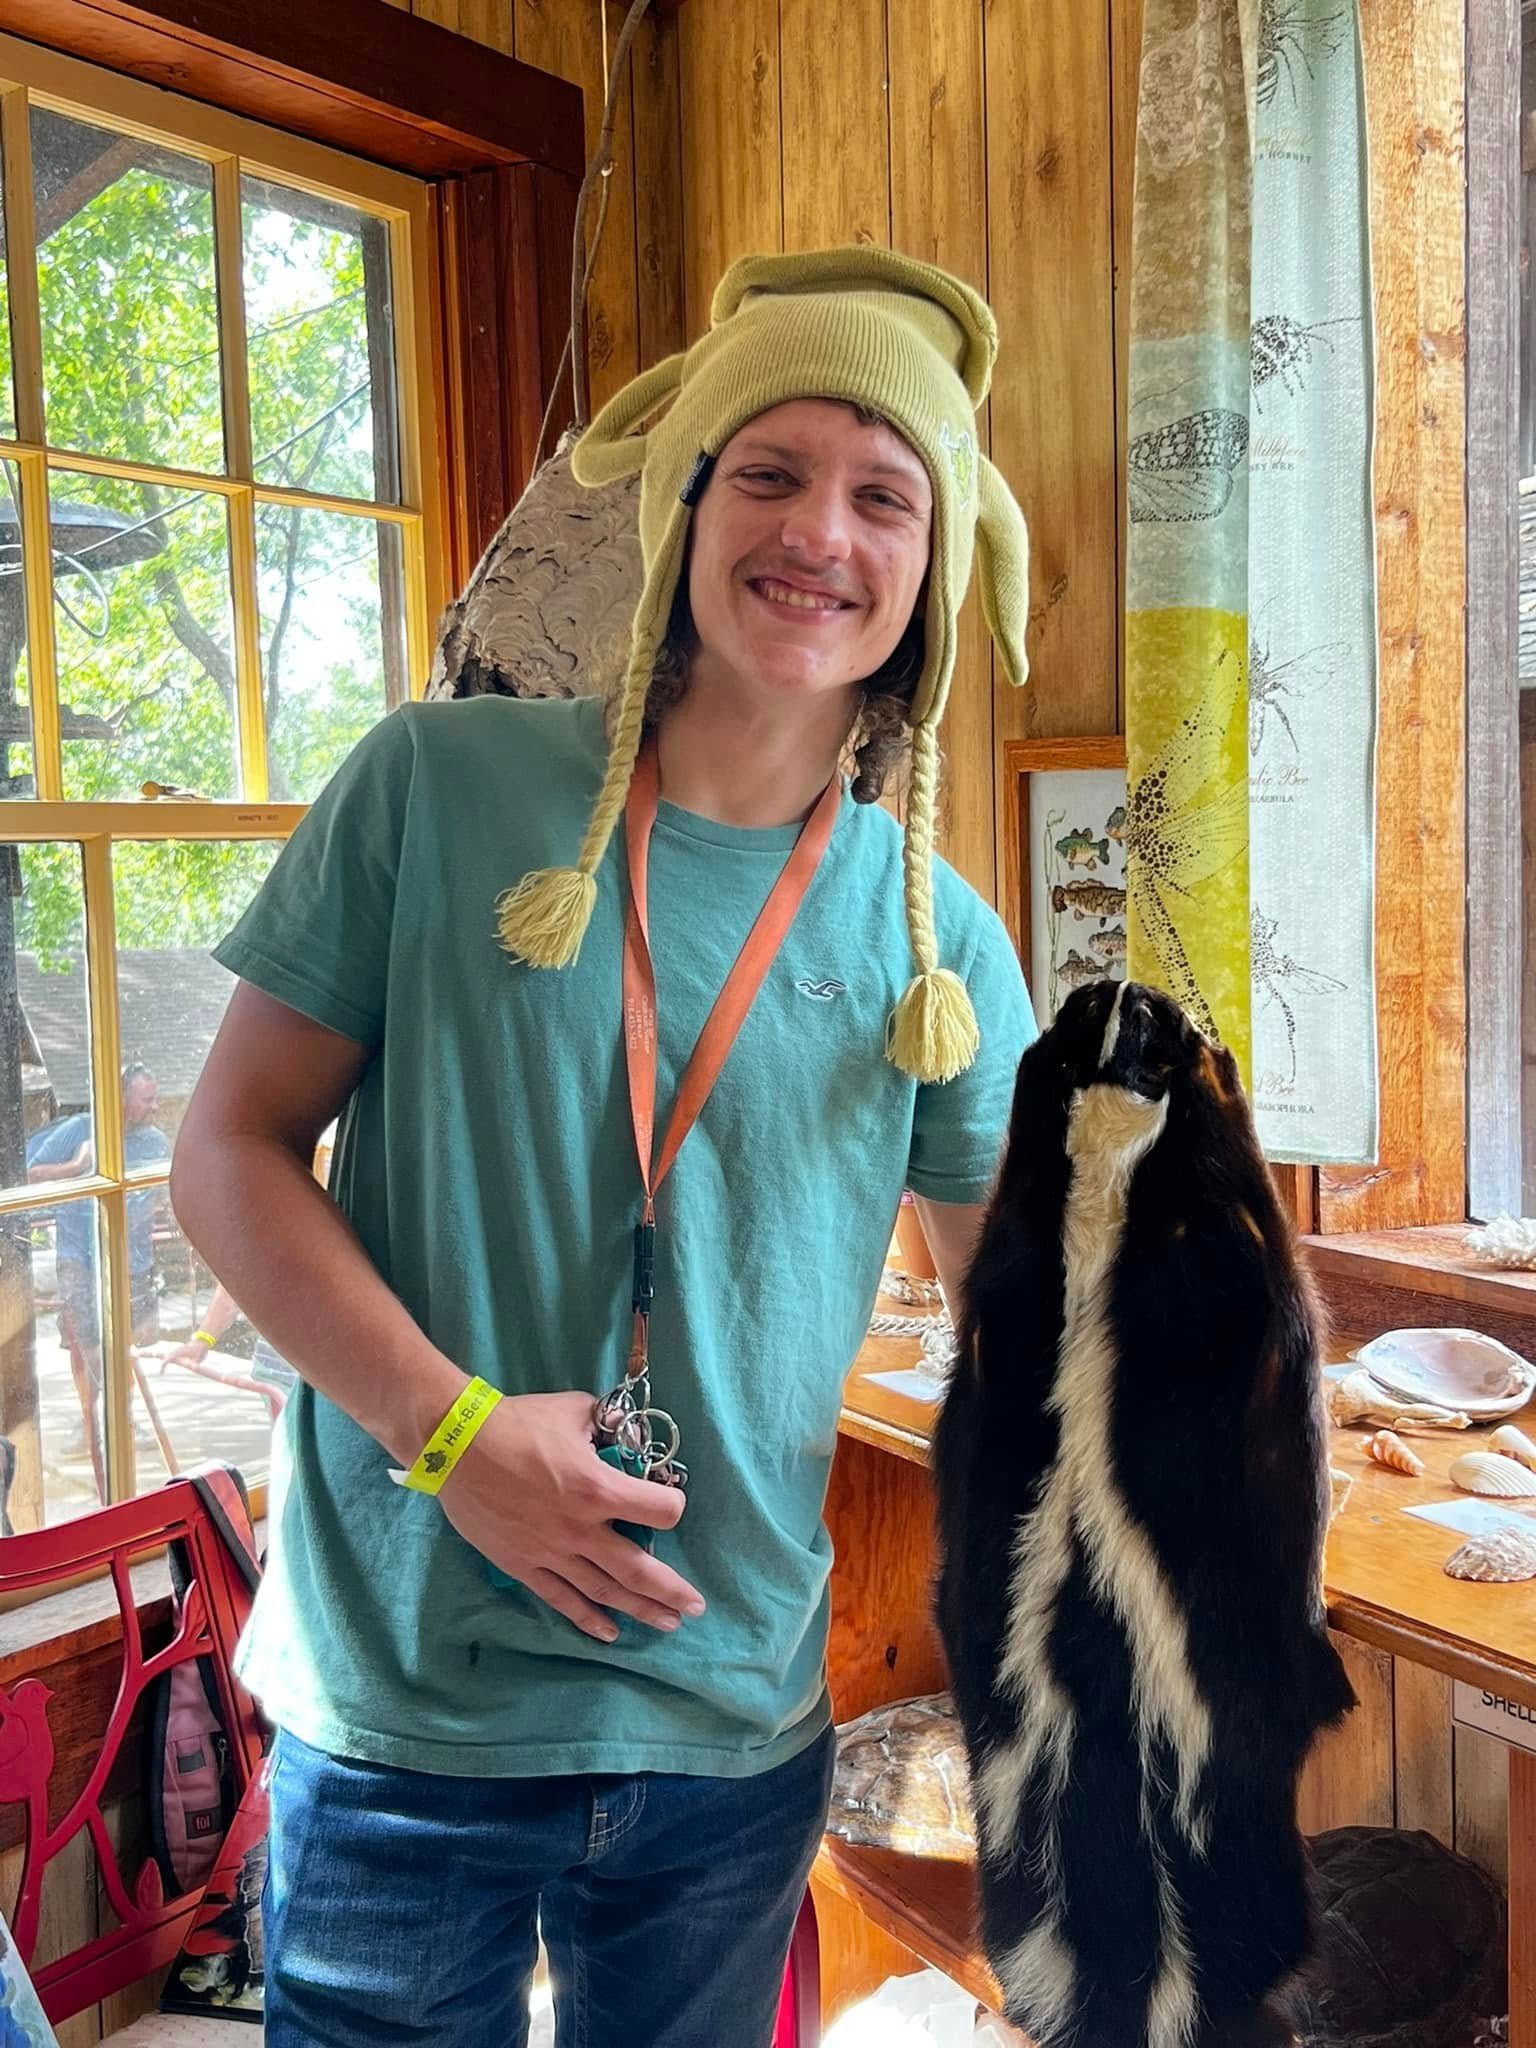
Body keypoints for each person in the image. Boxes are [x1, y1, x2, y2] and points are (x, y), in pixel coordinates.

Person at [170, 246, 1037, 2048]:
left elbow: (1027, 1323)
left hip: (728, 1728)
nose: (823, 530)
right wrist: (454, 1430)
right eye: (773, 469)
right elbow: (228, 1154)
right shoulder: (437, 785)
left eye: (887, 494)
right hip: (407, 1695)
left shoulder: (937, 937)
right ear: (691, 499)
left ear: (933, 566)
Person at [27, 1062, 170, 1497]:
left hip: (132, 1258)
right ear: (121, 1098)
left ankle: (121, 1419)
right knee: (84, 1342)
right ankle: (91, 1422)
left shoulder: (155, 1141)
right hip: (79, 1255)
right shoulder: (78, 1129)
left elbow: (165, 1190)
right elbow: (28, 1175)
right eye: (148, 1099)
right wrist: (77, 1165)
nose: (155, 1106)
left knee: (126, 1341)